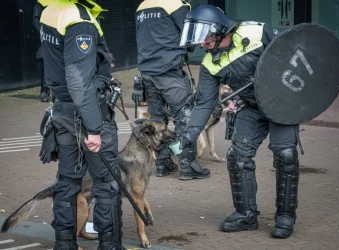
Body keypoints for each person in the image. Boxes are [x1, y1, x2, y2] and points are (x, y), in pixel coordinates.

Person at [178, 5, 300, 239]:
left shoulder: (256, 33)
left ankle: (285, 216)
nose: (201, 43)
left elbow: (292, 54)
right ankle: (246, 214)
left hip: (282, 103)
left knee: (285, 155)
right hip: (251, 107)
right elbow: (204, 103)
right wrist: (189, 135)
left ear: (219, 30)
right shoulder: (210, 63)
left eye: (203, 36)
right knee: (237, 155)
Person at [39, 0, 124, 249]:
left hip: (63, 110)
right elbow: (79, 79)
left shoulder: (50, 11)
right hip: (88, 111)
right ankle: (110, 245)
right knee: (106, 183)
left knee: (67, 182)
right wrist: (94, 129)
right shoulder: (78, 18)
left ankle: (64, 244)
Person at [133, 0, 210, 180]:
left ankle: (162, 163)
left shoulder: (142, 6)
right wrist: (187, 49)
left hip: (147, 71)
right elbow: (189, 35)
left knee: (157, 119)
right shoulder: (175, 4)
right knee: (185, 116)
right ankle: (187, 165)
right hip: (168, 70)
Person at [33, 0, 53, 102]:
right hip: (47, 35)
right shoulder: (42, 1)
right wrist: (42, 32)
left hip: (61, 33)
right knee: (46, 64)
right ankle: (44, 91)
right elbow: (36, 18)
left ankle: (58, 93)